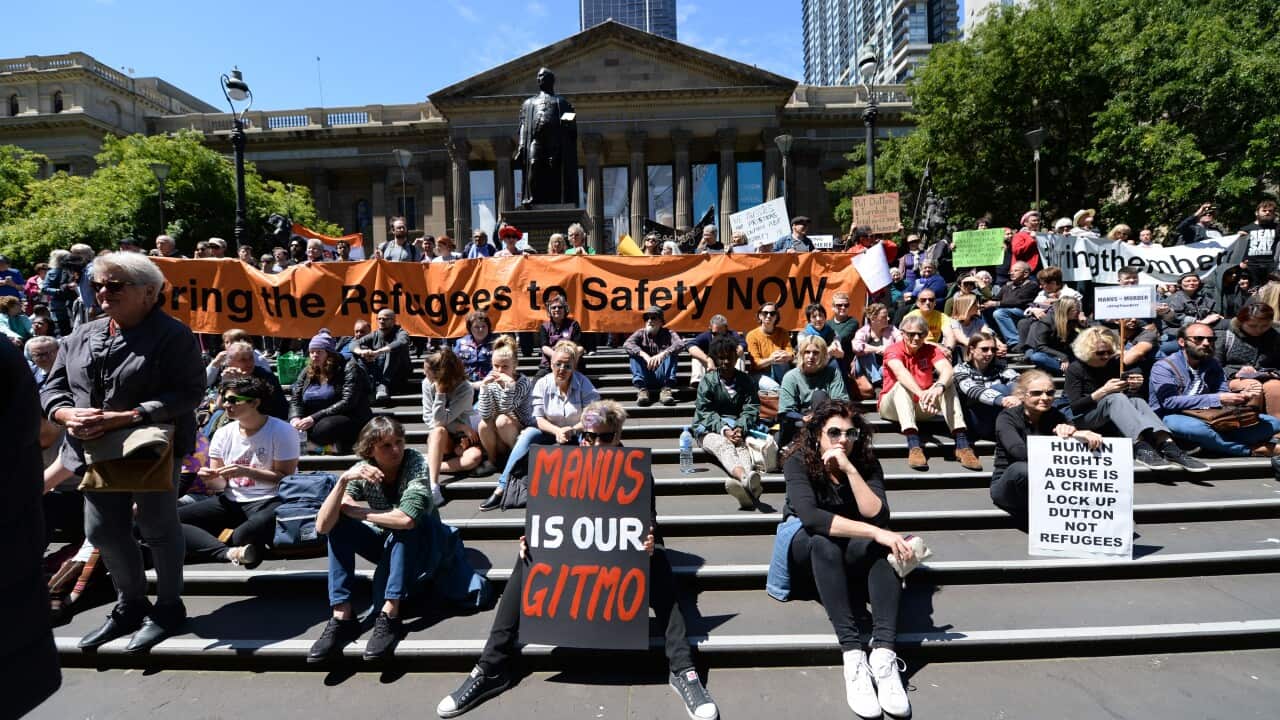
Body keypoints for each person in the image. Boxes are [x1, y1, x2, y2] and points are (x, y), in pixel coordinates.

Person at [437, 400, 719, 720]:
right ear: (580, 436)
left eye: (605, 437)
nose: (596, 444)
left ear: (618, 435)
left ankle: (684, 670)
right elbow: (550, 518)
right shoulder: (561, 466)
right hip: (575, 558)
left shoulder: (636, 472)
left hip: (628, 557)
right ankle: (489, 668)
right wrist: (535, 539)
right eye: (589, 436)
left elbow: (647, 519)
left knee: (658, 562)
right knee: (526, 558)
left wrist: (648, 537)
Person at [40, 251, 205, 653]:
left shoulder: (174, 335)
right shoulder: (79, 334)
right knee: (101, 531)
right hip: (93, 449)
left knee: (158, 529)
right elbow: (53, 387)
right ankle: (130, 603)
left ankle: (168, 607)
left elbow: (189, 393)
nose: (102, 291)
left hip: (148, 450)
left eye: (115, 285)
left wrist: (129, 416)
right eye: (97, 284)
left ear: (149, 292)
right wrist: (64, 413)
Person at [773, 400, 912, 719]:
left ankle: (883, 655)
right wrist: (876, 532)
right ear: (817, 434)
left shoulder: (864, 461)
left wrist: (849, 470)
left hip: (848, 546)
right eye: (834, 432)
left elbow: (878, 514)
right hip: (806, 549)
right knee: (825, 541)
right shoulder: (797, 459)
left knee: (883, 544)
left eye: (851, 433)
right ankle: (853, 657)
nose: (843, 439)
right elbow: (811, 518)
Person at [308, 417, 479, 663]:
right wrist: (344, 480)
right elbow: (322, 526)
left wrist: (362, 513)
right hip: (391, 544)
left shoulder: (416, 463)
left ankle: (390, 613)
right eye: (386, 446)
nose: (396, 450)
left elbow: (407, 520)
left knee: (403, 524)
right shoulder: (363, 469)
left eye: (398, 442)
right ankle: (342, 614)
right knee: (338, 525)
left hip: (427, 545)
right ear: (370, 450)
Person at [180, 376, 298, 566]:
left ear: (255, 403)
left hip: (270, 499)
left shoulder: (282, 430)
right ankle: (228, 552)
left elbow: (285, 478)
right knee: (169, 521)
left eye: (233, 400)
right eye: (225, 399)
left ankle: (230, 543)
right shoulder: (222, 433)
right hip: (230, 499)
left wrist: (247, 471)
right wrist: (211, 478)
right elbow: (220, 485)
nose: (226, 404)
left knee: (242, 535)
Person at [1065, 326, 1206, 470]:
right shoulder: (1076, 368)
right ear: (1087, 351)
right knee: (1115, 398)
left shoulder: (1114, 364)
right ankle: (1140, 447)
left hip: (1109, 414)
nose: (1106, 356)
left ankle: (1168, 445)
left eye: (1110, 352)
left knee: (1136, 400)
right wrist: (1104, 391)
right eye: (1101, 353)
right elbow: (1075, 406)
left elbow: (1128, 399)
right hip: (1082, 417)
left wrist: (1132, 387)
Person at [487, 341, 599, 508]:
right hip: (549, 430)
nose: (562, 369)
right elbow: (537, 417)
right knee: (528, 434)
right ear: (551, 364)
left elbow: (594, 415)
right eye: (558, 364)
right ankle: (502, 486)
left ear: (574, 367)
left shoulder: (584, 384)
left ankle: (593, 491)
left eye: (567, 366)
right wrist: (557, 431)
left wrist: (574, 429)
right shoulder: (542, 383)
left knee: (594, 442)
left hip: (577, 431)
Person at [1150, 323, 1280, 457]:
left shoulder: (1212, 363)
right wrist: (1218, 398)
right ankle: (1250, 450)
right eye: (1198, 339)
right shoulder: (1164, 366)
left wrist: (1239, 396)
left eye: (1211, 339)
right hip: (1172, 416)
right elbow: (1169, 402)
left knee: (1273, 423)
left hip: (1210, 416)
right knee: (1197, 429)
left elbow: (1221, 391)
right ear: (1182, 342)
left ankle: (1211, 444)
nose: (1206, 343)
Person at [990, 370, 1104, 520]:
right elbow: (1019, 453)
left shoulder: (1056, 415)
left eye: (1050, 393)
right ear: (1022, 395)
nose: (1045, 398)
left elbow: (1074, 453)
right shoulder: (1007, 417)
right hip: (1010, 486)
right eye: (1036, 393)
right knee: (1022, 469)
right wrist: (1055, 440)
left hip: (1049, 487)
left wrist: (1075, 435)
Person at [879, 315, 981, 471]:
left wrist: (938, 387)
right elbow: (900, 373)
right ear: (903, 333)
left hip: (923, 404)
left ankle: (962, 445)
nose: (916, 338)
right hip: (892, 407)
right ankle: (914, 445)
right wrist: (922, 395)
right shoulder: (893, 349)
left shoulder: (931, 349)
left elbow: (947, 369)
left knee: (948, 384)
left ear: (926, 335)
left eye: (920, 334)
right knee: (901, 385)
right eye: (910, 334)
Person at [693, 335, 763, 509]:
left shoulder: (745, 380)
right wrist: (724, 429)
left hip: (738, 428)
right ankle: (746, 479)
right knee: (724, 445)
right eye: (721, 357)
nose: (725, 361)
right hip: (709, 430)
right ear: (715, 358)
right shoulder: (707, 381)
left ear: (736, 357)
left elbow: (751, 407)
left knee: (740, 446)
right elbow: (705, 412)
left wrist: (740, 426)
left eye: (729, 357)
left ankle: (744, 487)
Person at [290, 330, 373, 454]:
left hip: (346, 415)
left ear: (329, 353)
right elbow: (296, 398)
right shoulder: (307, 370)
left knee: (323, 429)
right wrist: (295, 418)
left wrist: (314, 418)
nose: (314, 356)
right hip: (313, 417)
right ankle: (316, 446)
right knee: (286, 426)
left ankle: (320, 447)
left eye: (319, 352)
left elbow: (348, 401)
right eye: (312, 352)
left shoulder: (349, 368)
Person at [422, 346, 482, 505]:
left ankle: (429, 462)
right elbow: (432, 419)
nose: (424, 374)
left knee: (474, 458)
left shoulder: (465, 389)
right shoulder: (427, 384)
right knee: (438, 431)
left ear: (440, 375)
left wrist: (440, 393)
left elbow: (442, 418)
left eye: (427, 371)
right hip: (445, 437)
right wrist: (459, 427)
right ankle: (434, 486)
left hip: (465, 438)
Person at [474, 335, 533, 486]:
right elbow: (485, 413)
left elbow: (507, 409)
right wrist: (484, 388)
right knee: (483, 424)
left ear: (515, 365)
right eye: (496, 366)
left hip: (519, 431)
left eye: (505, 366)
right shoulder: (491, 381)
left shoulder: (523, 382)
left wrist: (509, 387)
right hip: (499, 435)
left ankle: (519, 460)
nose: (500, 371)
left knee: (502, 420)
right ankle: (493, 461)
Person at [780, 334, 850, 446]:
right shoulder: (791, 376)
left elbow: (841, 401)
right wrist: (803, 418)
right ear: (801, 354)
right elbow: (786, 411)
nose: (811, 356)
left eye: (816, 353)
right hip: (800, 421)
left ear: (823, 355)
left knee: (820, 395)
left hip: (827, 418)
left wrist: (819, 415)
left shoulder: (832, 373)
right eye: (807, 352)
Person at [1217, 302, 1280, 419]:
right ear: (1241, 322)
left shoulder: (1275, 337)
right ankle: (1248, 426)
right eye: (1252, 326)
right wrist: (1234, 372)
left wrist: (1272, 373)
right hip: (1232, 378)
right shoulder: (1225, 335)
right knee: (1253, 387)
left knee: (1276, 388)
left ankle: (1277, 433)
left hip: (1267, 376)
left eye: (1264, 326)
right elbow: (1214, 366)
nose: (1259, 330)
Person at [954, 331, 1021, 440]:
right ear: (972, 349)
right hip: (975, 420)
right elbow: (973, 390)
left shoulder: (999, 369)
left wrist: (1018, 397)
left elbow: (1021, 381)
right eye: (984, 349)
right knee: (1001, 388)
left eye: (993, 350)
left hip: (998, 417)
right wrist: (1003, 400)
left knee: (1015, 386)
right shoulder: (961, 369)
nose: (990, 353)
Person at [212, 340, 289, 420]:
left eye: (251, 358)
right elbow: (219, 406)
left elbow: (257, 406)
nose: (249, 363)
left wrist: (242, 382)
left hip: (267, 418)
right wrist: (226, 383)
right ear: (230, 362)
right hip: (240, 417)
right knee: (218, 415)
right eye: (243, 360)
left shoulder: (264, 376)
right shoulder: (228, 374)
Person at [623, 305, 683, 407]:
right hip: (645, 373)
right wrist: (644, 355)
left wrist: (663, 353)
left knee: (672, 353)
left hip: (662, 374)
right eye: (647, 318)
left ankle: (666, 390)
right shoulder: (640, 333)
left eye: (653, 318)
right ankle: (642, 391)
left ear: (661, 321)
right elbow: (627, 344)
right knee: (634, 353)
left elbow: (680, 344)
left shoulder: (669, 333)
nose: (649, 321)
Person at [354, 308, 412, 402]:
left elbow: (402, 342)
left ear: (393, 321)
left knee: (393, 349)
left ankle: (382, 384)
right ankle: (369, 385)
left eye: (385, 319)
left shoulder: (401, 332)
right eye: (379, 319)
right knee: (362, 350)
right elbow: (354, 343)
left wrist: (379, 352)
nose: (381, 321)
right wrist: (362, 352)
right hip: (378, 373)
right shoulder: (375, 334)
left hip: (398, 375)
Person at [1024, 296, 1087, 375]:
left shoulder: (1076, 321)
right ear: (1065, 310)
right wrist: (1063, 357)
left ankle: (1064, 370)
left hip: (1069, 354)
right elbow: (1041, 346)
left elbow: (1086, 342)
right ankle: (1070, 371)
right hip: (1052, 354)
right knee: (1037, 357)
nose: (1078, 313)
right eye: (1075, 310)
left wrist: (1083, 325)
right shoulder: (1047, 321)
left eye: (1079, 310)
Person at [989, 261, 1040, 347]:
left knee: (1000, 313)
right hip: (1008, 311)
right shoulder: (1007, 286)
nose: (1012, 273)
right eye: (1011, 271)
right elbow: (996, 298)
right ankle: (995, 339)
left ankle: (1015, 342)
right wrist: (984, 304)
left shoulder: (1032, 285)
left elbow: (1017, 301)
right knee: (987, 310)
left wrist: (996, 303)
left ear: (1025, 273)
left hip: (1023, 312)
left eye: (1016, 271)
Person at [852, 303, 902, 390]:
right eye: (884, 317)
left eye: (888, 316)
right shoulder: (862, 331)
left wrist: (888, 350)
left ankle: (878, 380)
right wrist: (876, 349)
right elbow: (856, 347)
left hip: (884, 368)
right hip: (864, 370)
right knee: (866, 354)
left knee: (885, 369)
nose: (888, 318)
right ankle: (877, 381)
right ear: (873, 318)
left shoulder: (892, 329)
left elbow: (901, 343)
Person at [746, 302, 793, 394]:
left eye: (772, 313)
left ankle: (787, 388)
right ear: (760, 316)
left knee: (780, 356)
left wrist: (785, 356)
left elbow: (791, 353)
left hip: (781, 371)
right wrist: (771, 359)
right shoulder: (752, 335)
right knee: (776, 388)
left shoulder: (783, 332)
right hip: (759, 374)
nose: (768, 316)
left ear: (776, 317)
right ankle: (786, 394)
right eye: (765, 313)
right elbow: (756, 363)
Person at [687, 314, 746, 386]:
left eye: (721, 333)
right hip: (711, 364)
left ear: (726, 329)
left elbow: (742, 344)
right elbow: (691, 346)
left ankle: (738, 380)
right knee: (696, 357)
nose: (718, 336)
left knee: (741, 354)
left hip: (727, 363)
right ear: (710, 328)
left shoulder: (732, 334)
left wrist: (737, 350)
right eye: (715, 333)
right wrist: (708, 359)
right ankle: (698, 382)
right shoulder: (706, 336)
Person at [535, 294, 583, 377]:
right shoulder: (544, 326)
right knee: (534, 386)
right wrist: (557, 357)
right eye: (553, 307)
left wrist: (566, 358)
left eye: (560, 307)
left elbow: (580, 348)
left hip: (570, 364)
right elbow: (544, 347)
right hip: (549, 364)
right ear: (549, 310)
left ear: (565, 309)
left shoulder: (574, 325)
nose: (557, 309)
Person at [454, 311, 496, 385]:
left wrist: (485, 382)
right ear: (470, 328)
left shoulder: (497, 343)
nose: (481, 330)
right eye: (476, 327)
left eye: (484, 326)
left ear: (488, 327)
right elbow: (453, 365)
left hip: (490, 384)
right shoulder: (460, 343)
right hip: (465, 384)